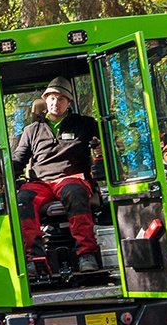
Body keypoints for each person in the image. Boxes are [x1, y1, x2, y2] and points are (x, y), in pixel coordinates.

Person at [11, 76, 101, 273]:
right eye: (51, 98)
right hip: (41, 183)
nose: (55, 103)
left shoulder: (84, 124)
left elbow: (105, 145)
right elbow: (19, 159)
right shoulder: (32, 130)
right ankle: (34, 258)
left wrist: (100, 148)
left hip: (72, 178)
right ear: (45, 99)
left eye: (61, 99)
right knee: (22, 199)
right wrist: (1, 169)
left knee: (74, 193)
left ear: (69, 102)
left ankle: (86, 254)